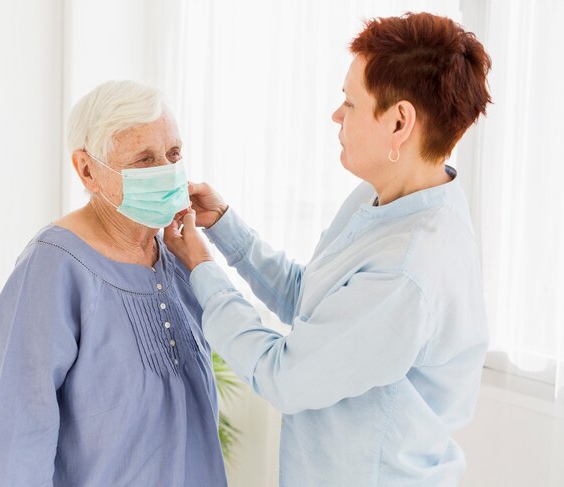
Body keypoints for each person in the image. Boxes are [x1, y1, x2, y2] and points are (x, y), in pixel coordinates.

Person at [164, 12, 492, 486]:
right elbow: (313, 302)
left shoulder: (409, 270)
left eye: (350, 102)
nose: (337, 115)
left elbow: (283, 375)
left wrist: (201, 267)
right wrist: (226, 229)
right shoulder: (385, 197)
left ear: (400, 122)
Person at [0, 81, 227, 486]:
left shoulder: (178, 253)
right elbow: (11, 442)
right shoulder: (53, 266)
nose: (167, 171)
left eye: (174, 154)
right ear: (87, 169)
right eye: (144, 159)